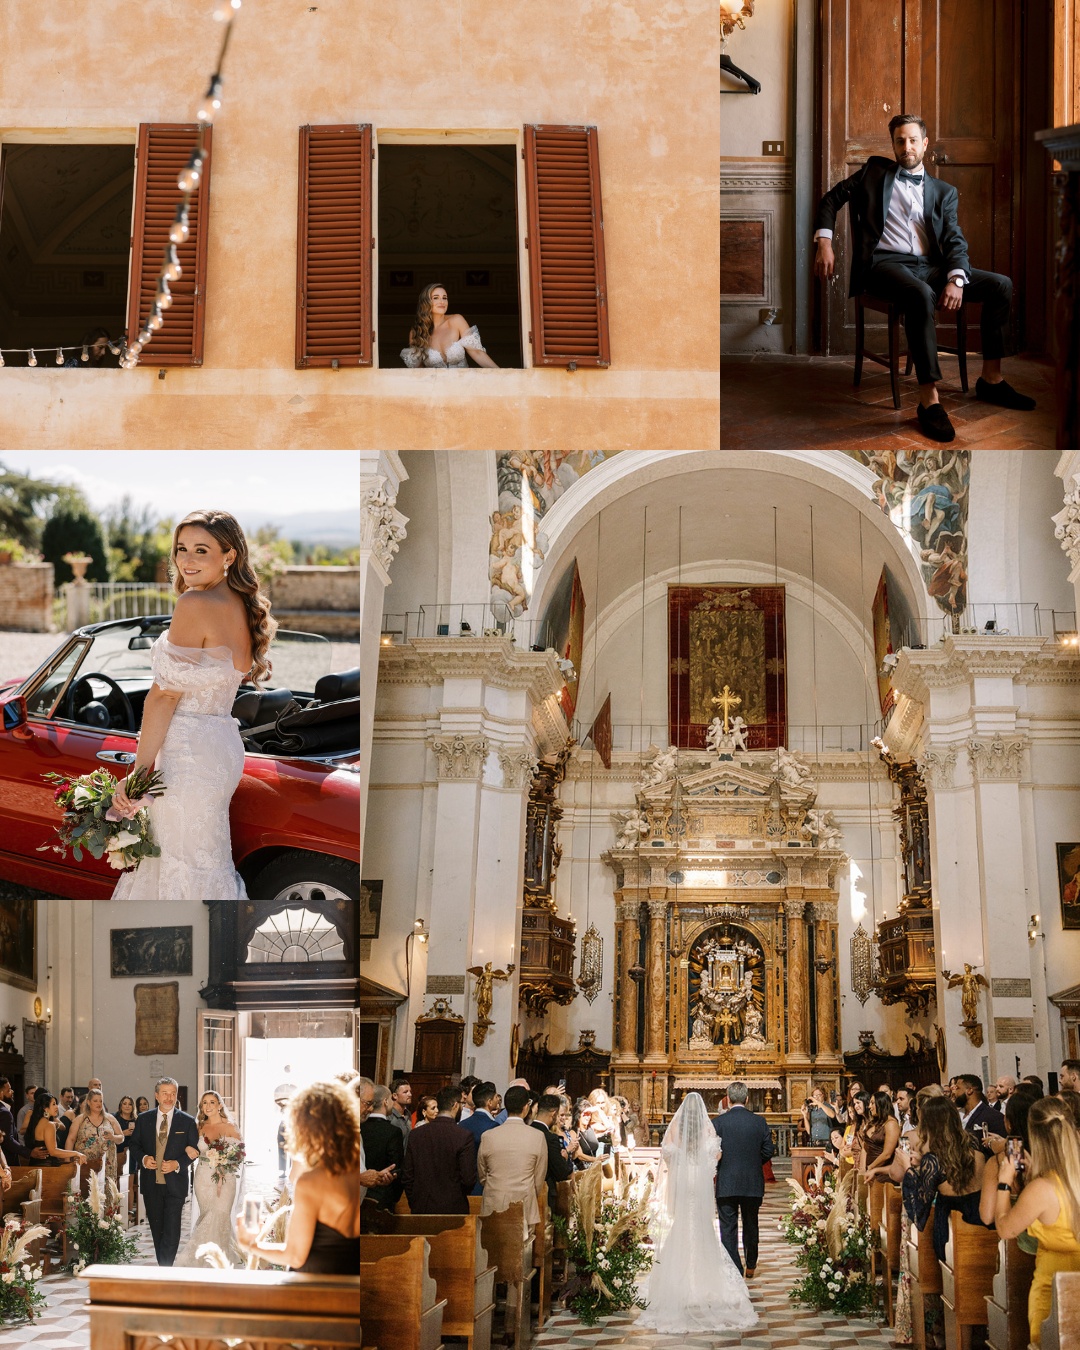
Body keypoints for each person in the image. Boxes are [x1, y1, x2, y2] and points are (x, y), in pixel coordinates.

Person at [814, 112, 1035, 444]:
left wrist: (956, 279)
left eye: (913, 140)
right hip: (885, 265)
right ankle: (929, 401)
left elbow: (955, 241)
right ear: (893, 145)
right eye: (900, 141)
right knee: (919, 293)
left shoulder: (944, 191)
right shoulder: (874, 173)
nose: (907, 146)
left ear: (925, 144)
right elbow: (831, 200)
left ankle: (991, 380)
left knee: (1000, 284)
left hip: (931, 266)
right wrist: (825, 243)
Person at [110, 510, 277, 901]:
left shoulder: (194, 602)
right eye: (182, 549)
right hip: (220, 746)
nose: (187, 560)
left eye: (201, 550)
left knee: (175, 861)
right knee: (204, 859)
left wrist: (138, 777)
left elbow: (165, 696)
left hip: (187, 752)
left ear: (229, 556)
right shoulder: (241, 604)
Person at [639, 1092, 757, 1333]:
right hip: (699, 1180)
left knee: (682, 1222)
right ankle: (704, 1283)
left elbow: (668, 1156)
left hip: (683, 1181)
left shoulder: (674, 1129)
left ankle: (677, 1284)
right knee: (702, 1225)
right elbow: (717, 1155)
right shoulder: (707, 1127)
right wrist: (705, 1169)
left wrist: (681, 1168)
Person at [237, 1079, 360, 1273]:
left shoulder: (313, 1181)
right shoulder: (355, 1170)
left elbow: (295, 1256)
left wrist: (250, 1244)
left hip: (317, 1285)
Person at [991, 1096, 1080, 1346]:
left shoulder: (1042, 1188)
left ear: (1035, 1136)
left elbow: (1005, 1228)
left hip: (1053, 1295)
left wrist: (1004, 1182)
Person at [129, 1077, 200, 1266]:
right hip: (151, 1184)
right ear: (157, 1095)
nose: (169, 1097)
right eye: (165, 1093)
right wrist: (144, 1159)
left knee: (171, 1230)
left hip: (175, 1185)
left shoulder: (187, 1121)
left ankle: (165, 1269)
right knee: (157, 1229)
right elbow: (134, 1145)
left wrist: (177, 1164)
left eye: (173, 1093)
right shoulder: (144, 1119)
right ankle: (164, 1267)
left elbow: (194, 1150)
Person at [711, 1080, 775, 1278]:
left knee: (727, 1227)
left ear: (728, 1100)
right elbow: (768, 1150)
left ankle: (734, 1268)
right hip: (752, 1182)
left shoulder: (717, 1123)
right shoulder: (759, 1122)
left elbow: (712, 1152)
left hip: (727, 1181)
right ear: (747, 1099)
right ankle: (751, 1265)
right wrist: (754, 1162)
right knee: (751, 1223)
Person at [175, 1090, 245, 1268]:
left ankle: (218, 1261)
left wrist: (225, 1160)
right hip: (203, 1175)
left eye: (212, 1102)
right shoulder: (198, 1126)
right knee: (207, 1215)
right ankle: (206, 1259)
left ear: (220, 1105)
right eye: (204, 1103)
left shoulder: (230, 1126)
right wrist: (186, 1150)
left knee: (220, 1214)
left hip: (225, 1176)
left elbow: (241, 1153)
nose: (208, 1106)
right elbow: (185, 1146)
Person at [477, 1085, 548, 1229]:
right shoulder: (537, 1136)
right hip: (524, 1202)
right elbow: (538, 1178)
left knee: (491, 1249)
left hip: (493, 1202)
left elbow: (482, 1174)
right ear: (526, 1107)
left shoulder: (488, 1135)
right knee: (523, 1248)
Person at [402, 1085, 477, 1215]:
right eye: (461, 1104)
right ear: (455, 1105)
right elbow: (468, 1179)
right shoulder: (463, 1136)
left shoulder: (416, 1134)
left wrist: (414, 1201)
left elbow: (408, 1176)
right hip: (453, 1207)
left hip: (422, 1206)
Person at [400, 283, 499, 369]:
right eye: (436, 298)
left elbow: (477, 353)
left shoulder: (456, 320)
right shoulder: (417, 332)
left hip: (463, 384)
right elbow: (418, 370)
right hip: (435, 387)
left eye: (444, 297)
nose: (442, 301)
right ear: (425, 302)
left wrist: (502, 373)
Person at [359, 1085, 405, 1209]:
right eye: (367, 1103)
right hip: (381, 1199)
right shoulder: (393, 1132)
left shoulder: (361, 1128)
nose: (370, 1108)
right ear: (386, 1101)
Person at [69, 1087, 126, 1183]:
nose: (99, 1103)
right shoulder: (80, 1119)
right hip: (86, 1162)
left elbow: (121, 1137)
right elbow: (71, 1139)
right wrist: (68, 1160)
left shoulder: (110, 1118)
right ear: (88, 1102)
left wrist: (113, 1137)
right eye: (95, 1101)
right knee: (86, 1190)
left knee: (107, 1190)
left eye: (100, 1101)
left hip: (107, 1163)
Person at [531, 1093, 574, 1207]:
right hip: (545, 1195)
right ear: (554, 1114)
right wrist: (563, 1159)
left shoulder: (526, 1132)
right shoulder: (550, 1138)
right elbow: (561, 1173)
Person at [25, 1089, 87, 1166]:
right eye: (53, 1104)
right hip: (47, 1167)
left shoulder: (37, 1122)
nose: (57, 1107)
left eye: (56, 1104)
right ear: (45, 1108)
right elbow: (53, 1151)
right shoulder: (49, 1125)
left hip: (36, 1164)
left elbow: (62, 1127)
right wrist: (76, 1153)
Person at [952, 1073, 1007, 1140]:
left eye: (957, 1088)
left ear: (969, 1090)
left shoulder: (994, 1117)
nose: (954, 1092)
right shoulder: (955, 1115)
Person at [863, 1089, 901, 1173]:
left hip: (882, 1172)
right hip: (868, 1171)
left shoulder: (891, 1124)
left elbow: (887, 1154)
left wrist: (871, 1167)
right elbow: (865, 1148)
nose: (869, 1106)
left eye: (872, 1103)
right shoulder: (873, 1123)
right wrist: (862, 1170)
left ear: (881, 1104)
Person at [801, 1085, 838, 1149]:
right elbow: (808, 1131)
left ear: (823, 1095)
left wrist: (819, 1103)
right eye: (814, 1096)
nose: (816, 1097)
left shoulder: (828, 1106)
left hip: (826, 1142)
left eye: (818, 1095)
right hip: (814, 1142)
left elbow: (832, 1115)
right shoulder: (812, 1109)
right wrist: (805, 1115)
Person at [115, 1095, 137, 1173]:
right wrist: (123, 1133)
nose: (127, 1106)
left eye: (130, 1104)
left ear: (133, 1106)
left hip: (132, 1154)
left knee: (131, 1174)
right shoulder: (115, 1118)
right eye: (124, 1104)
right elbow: (110, 1135)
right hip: (117, 1152)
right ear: (121, 1106)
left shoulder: (137, 1120)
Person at [387, 1080, 412, 1146]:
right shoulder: (389, 1115)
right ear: (395, 1096)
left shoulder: (408, 1114)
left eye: (410, 1091)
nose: (410, 1094)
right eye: (405, 1092)